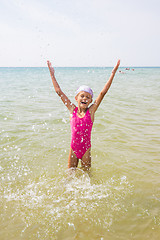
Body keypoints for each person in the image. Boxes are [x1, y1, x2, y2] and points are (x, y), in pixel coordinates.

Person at [47, 59, 120, 170]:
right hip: (73, 149)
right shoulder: (72, 110)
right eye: (82, 96)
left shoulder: (91, 112)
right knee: (70, 175)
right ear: (76, 98)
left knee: (87, 176)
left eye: (88, 97)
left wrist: (113, 73)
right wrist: (52, 74)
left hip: (86, 150)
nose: (85, 98)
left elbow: (103, 93)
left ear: (91, 100)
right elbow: (59, 92)